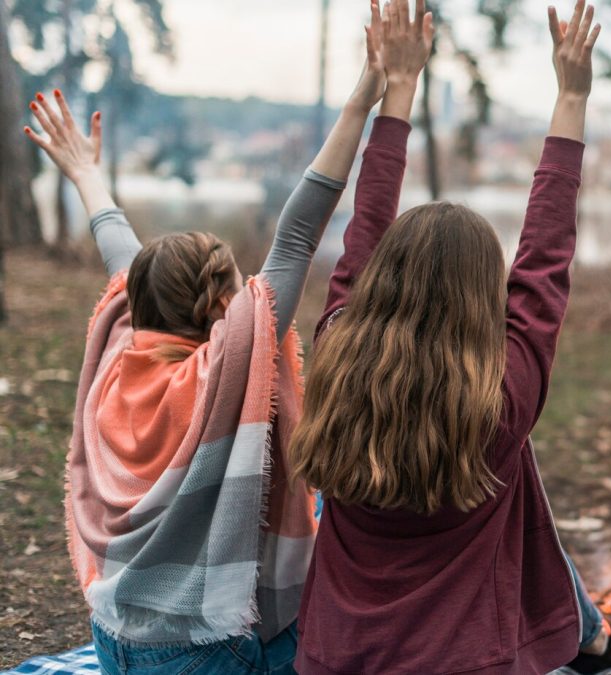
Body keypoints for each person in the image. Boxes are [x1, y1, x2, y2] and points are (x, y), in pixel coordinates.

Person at [21, 4, 392, 672]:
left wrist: (84, 173)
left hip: (114, 639)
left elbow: (119, 249)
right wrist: (365, 97)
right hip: (205, 651)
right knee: (340, 585)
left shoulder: (117, 351)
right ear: (222, 309)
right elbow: (300, 231)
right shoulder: (225, 371)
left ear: (135, 302)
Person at [288, 1, 611, 673]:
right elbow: (545, 259)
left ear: (381, 280)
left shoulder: (333, 351)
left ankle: (582, 624)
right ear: (484, 302)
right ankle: (582, 629)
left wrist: (401, 88)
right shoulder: (499, 406)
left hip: (333, 659)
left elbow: (365, 226)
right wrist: (572, 98)